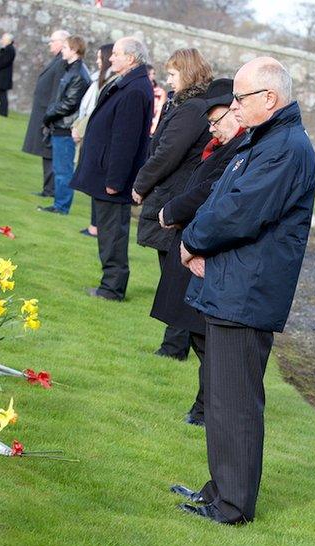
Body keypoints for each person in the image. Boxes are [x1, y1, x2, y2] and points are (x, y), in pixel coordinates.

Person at [171, 57, 315, 524]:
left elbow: (240, 211)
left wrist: (192, 240)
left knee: (235, 404)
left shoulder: (285, 148)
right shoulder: (267, 140)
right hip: (233, 284)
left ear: (268, 99)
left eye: (240, 97)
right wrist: (196, 239)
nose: (233, 106)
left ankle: (233, 506)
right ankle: (219, 490)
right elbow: (222, 197)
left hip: (247, 292)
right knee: (219, 398)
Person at [153, 79, 245, 425]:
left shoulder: (237, 151)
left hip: (205, 249)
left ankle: (207, 409)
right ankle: (204, 406)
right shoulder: (222, 147)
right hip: (192, 242)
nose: (212, 129)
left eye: (217, 121)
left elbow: (210, 191)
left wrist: (173, 210)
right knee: (198, 335)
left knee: (206, 339)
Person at [132, 48, 215, 360]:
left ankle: (174, 346)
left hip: (176, 195)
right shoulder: (189, 105)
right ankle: (174, 344)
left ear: (188, 73)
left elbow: (168, 152)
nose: (168, 80)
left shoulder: (193, 108)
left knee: (175, 274)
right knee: (172, 272)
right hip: (175, 193)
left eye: (173, 74)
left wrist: (141, 186)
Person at [71, 36, 154, 301]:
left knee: (113, 235)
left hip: (113, 178)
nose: (111, 58)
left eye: (116, 54)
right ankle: (109, 284)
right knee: (108, 233)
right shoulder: (129, 83)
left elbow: (125, 141)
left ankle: (112, 288)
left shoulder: (135, 89)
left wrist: (116, 181)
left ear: (130, 58)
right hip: (106, 173)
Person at [38, 36, 90, 215]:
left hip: (66, 127)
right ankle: (58, 204)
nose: (62, 50)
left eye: (66, 47)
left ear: (75, 50)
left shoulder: (78, 74)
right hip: (60, 125)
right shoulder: (72, 70)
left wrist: (49, 114)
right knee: (59, 168)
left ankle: (61, 206)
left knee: (63, 169)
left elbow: (69, 104)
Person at [72, 43, 117, 238]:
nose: (98, 61)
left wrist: (80, 128)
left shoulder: (110, 82)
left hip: (96, 138)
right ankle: (94, 226)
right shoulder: (99, 79)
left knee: (99, 186)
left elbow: (94, 112)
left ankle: (96, 227)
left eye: (101, 58)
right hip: (88, 131)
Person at [22, 30, 68, 199]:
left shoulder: (62, 62)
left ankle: (51, 190)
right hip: (43, 111)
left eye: (52, 41)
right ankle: (47, 188)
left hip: (48, 114)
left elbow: (57, 91)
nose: (50, 43)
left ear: (62, 43)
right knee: (46, 152)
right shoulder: (57, 60)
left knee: (49, 153)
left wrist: (50, 116)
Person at [0, 33, 15, 117]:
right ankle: (1, 110)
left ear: (8, 40)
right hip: (3, 74)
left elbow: (4, 61)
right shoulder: (7, 49)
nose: (2, 40)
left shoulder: (10, 49)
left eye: (3, 39)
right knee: (1, 92)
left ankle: (3, 111)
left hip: (4, 75)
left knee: (2, 93)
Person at [149, 65, 167, 135]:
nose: (152, 76)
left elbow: (159, 111)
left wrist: (153, 127)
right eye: (150, 74)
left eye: (153, 74)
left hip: (152, 125)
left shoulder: (160, 92)